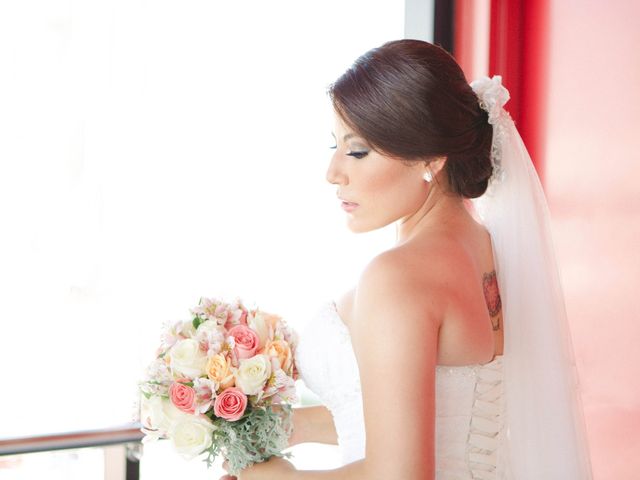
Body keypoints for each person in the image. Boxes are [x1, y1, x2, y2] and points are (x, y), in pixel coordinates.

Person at [221, 39, 593, 479]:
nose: (333, 173)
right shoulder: (484, 249)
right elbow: (438, 413)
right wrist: (291, 426)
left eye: (356, 151)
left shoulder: (398, 276)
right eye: (335, 145)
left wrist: (268, 475)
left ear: (431, 159)